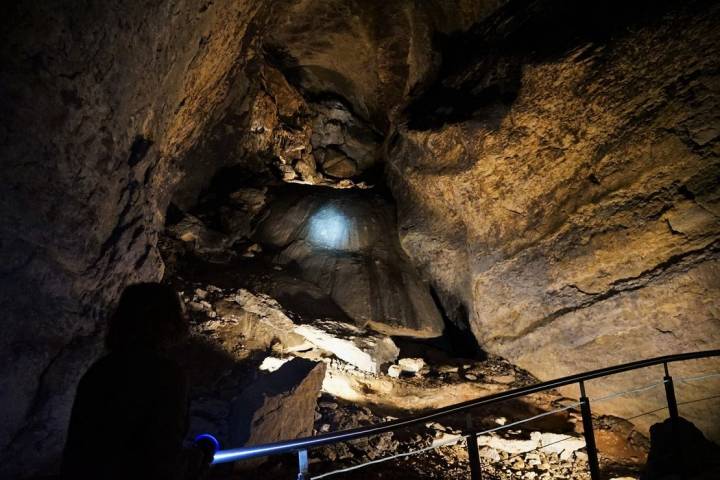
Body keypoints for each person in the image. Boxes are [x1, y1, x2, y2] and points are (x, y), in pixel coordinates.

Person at [62, 282, 215, 480]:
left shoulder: (101, 370)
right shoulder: (164, 375)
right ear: (168, 322)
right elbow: (162, 460)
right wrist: (200, 457)